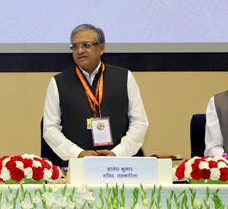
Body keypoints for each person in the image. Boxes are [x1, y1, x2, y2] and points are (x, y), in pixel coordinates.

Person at [42, 23, 149, 164]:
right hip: (77, 166)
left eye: (86, 45)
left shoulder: (125, 77)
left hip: (121, 165)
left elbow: (139, 122)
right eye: (74, 46)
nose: (79, 51)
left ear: (101, 48)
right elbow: (50, 128)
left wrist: (118, 153)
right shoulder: (58, 82)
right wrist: (78, 154)